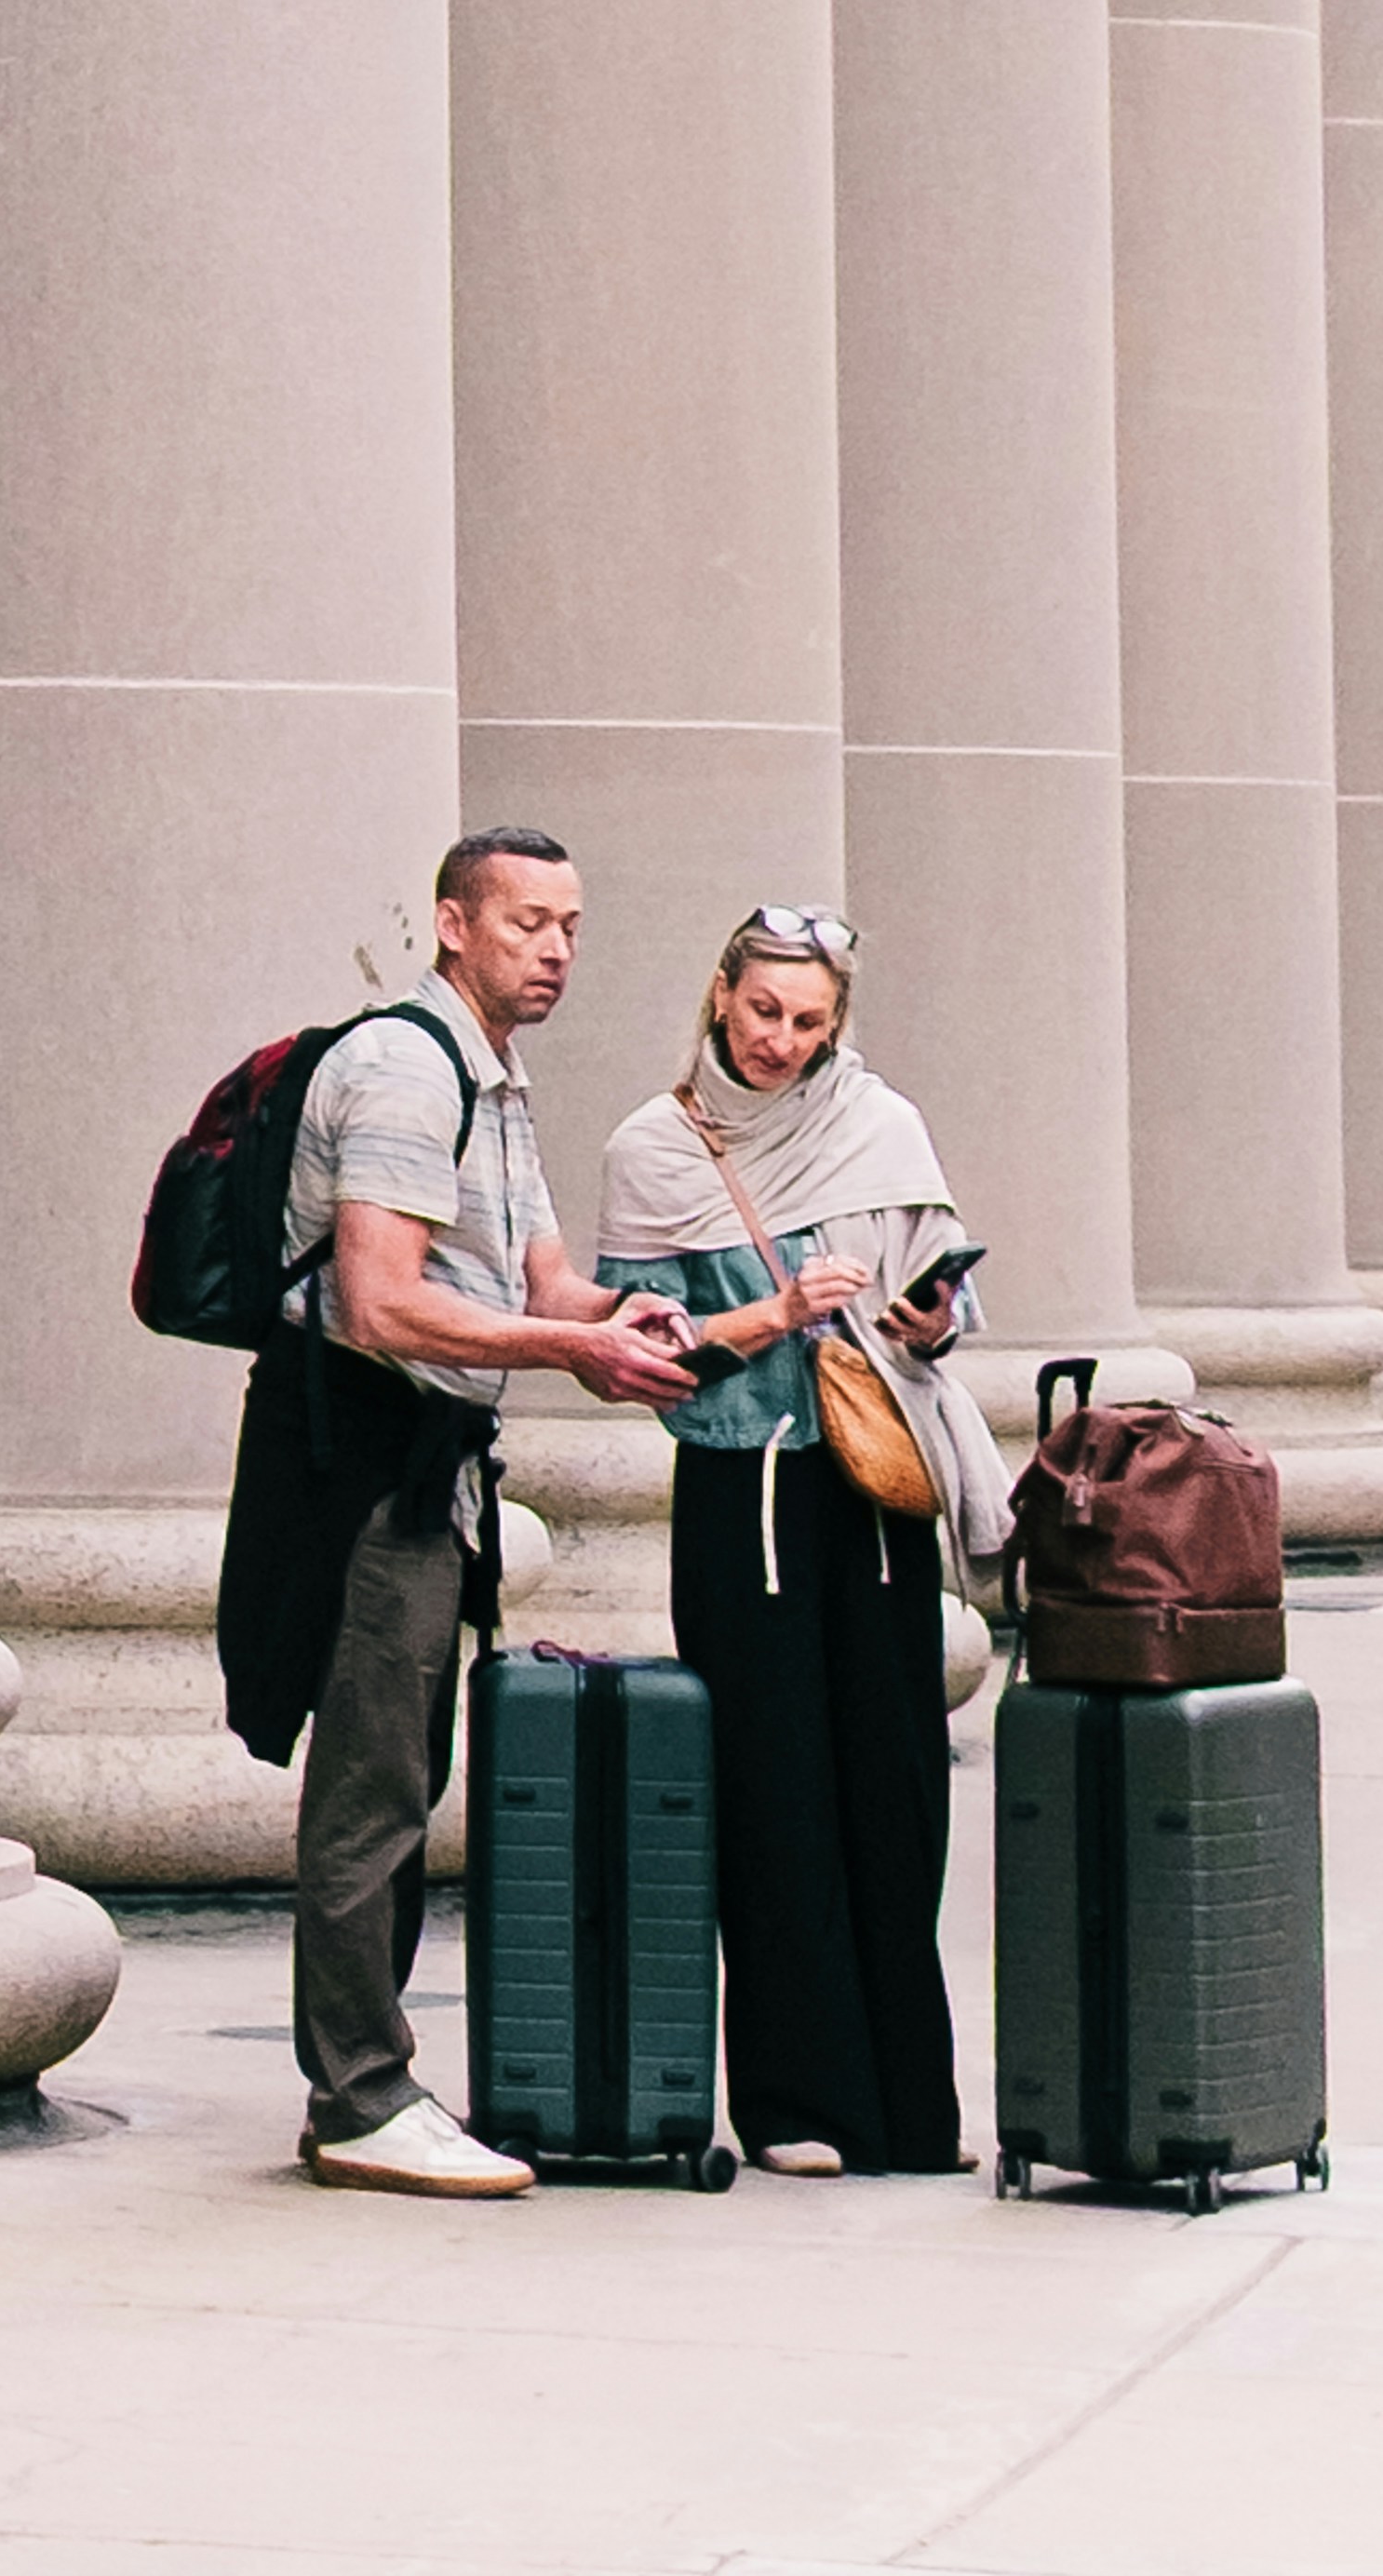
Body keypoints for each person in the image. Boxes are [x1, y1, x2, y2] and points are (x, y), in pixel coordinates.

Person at [222, 825, 692, 2202]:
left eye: (570, 927)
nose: (553, 951)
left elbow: (542, 1288)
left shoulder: (497, 1081)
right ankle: (359, 2098)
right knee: (370, 1789)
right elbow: (380, 1304)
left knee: (406, 1775)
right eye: (524, 923)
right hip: (364, 1462)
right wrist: (572, 1351)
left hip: (434, 1462)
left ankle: (368, 2088)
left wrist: (634, 1317)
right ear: (451, 924)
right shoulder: (401, 1071)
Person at [591, 910, 979, 2182]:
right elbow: (639, 1354)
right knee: (771, 1789)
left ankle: (909, 2105)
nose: (782, 1040)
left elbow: (948, 1291)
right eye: (763, 1011)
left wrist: (928, 1319)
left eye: (808, 1021)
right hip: (740, 1489)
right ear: (720, 996)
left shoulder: (881, 1123)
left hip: (874, 1488)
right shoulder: (654, 1150)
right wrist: (773, 1314)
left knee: (894, 1784)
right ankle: (795, 2102)